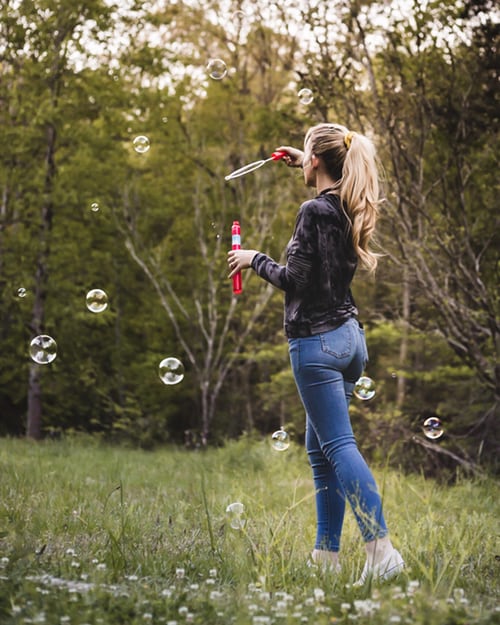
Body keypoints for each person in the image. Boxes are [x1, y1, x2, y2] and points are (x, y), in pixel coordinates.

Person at [227, 123, 404, 585]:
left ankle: (382, 553)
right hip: (350, 340)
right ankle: (326, 556)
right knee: (320, 448)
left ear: (318, 161)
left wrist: (253, 258)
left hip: (316, 343)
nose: (302, 161)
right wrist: (303, 158)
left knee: (338, 446)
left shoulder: (312, 211)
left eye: (307, 155)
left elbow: (295, 280)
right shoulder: (346, 205)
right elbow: (326, 178)